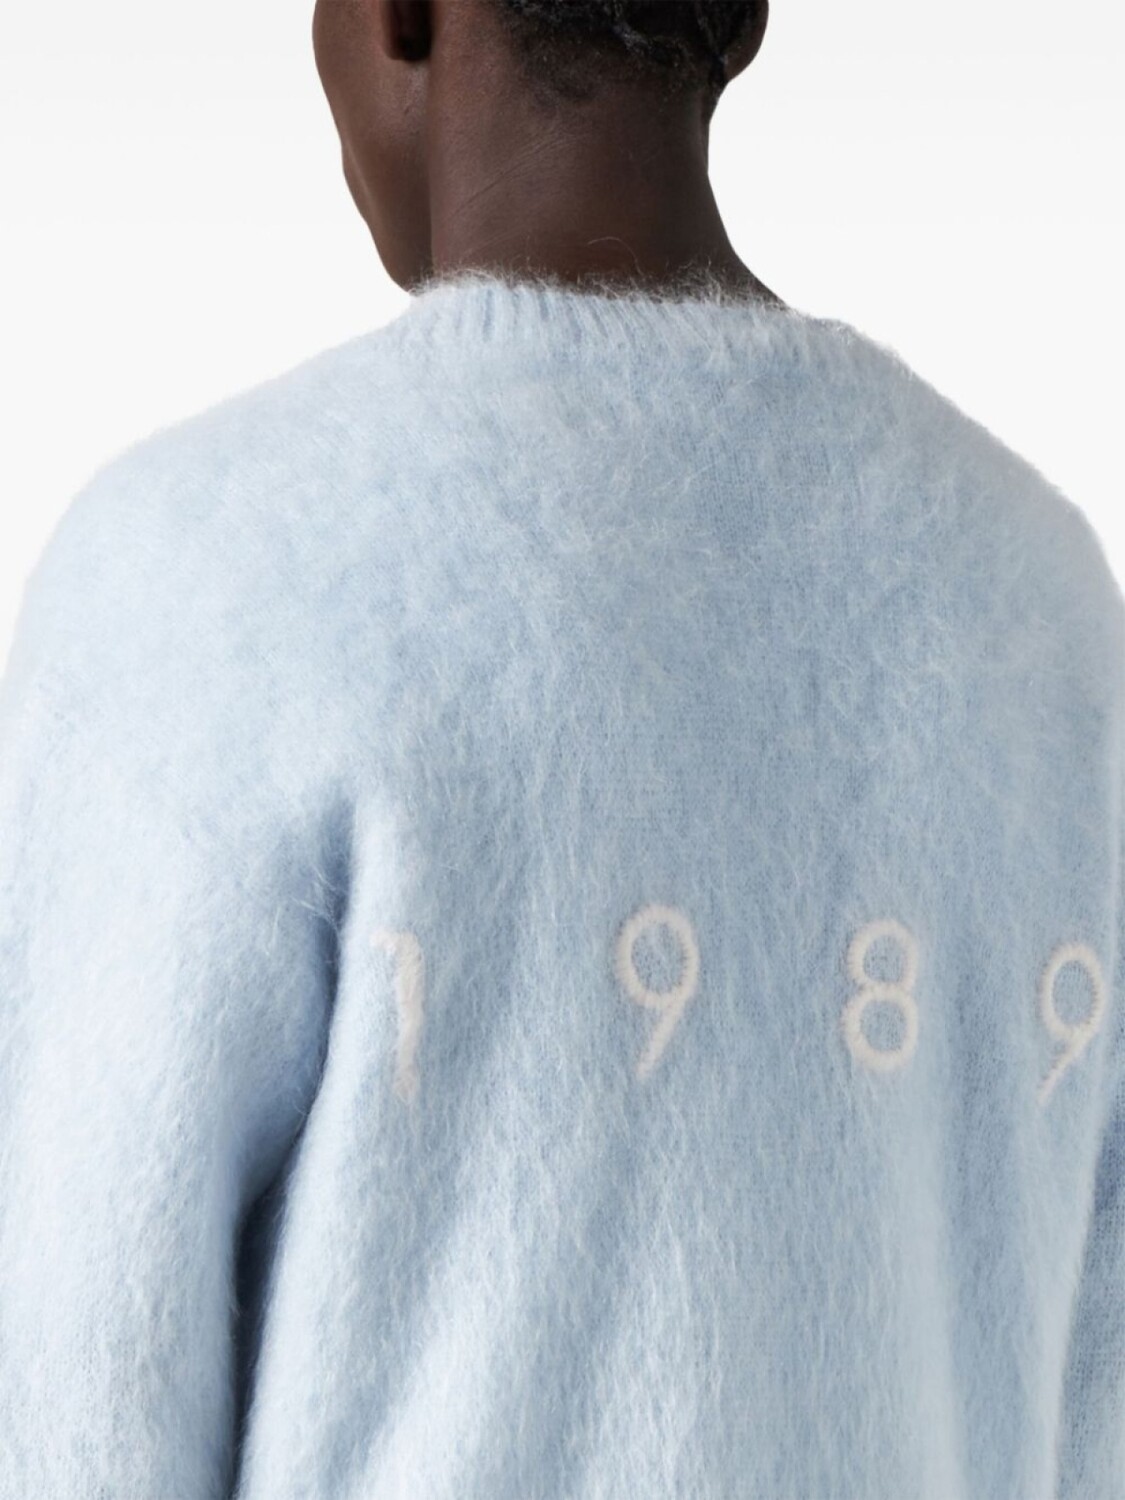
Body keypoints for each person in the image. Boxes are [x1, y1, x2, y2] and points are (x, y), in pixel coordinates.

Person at [1, 3, 1123, 1497]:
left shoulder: (201, 569)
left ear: (399, 17)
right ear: (739, 22)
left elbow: (72, 1391)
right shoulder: (1044, 607)